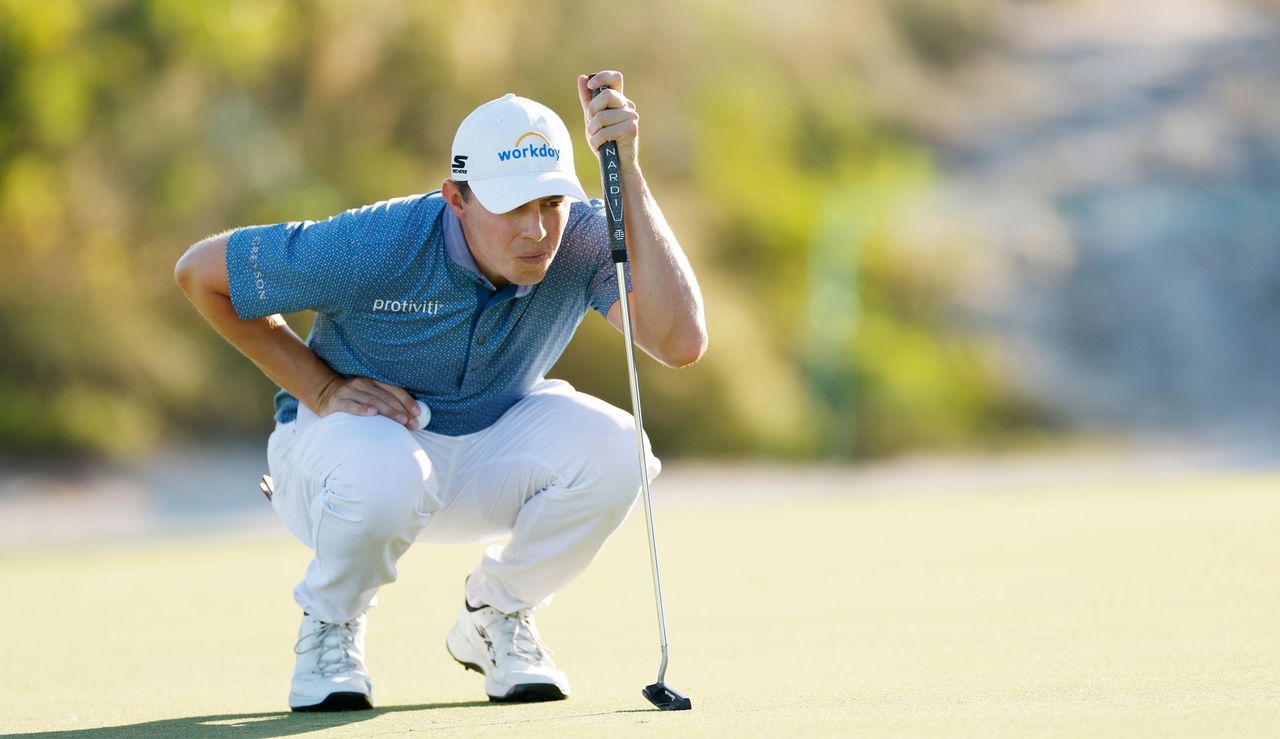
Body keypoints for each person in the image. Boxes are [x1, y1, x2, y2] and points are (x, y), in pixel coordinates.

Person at [174, 71, 706, 711]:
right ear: (457, 197)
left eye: (551, 204)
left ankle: (497, 616)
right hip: (339, 465)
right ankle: (330, 627)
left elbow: (678, 342)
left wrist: (627, 171)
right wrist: (318, 388)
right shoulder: (377, 242)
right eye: (512, 207)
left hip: (480, 454)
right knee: (384, 470)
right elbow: (201, 273)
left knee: (620, 448)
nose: (536, 231)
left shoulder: (585, 237)